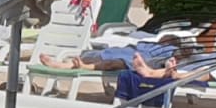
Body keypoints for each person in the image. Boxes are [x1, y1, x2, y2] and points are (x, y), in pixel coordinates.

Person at [38, 37, 184, 71]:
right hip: (128, 51)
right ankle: (62, 64)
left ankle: (83, 67)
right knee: (96, 55)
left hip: (138, 60)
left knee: (113, 63)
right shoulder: (150, 43)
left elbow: (177, 58)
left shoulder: (171, 50)